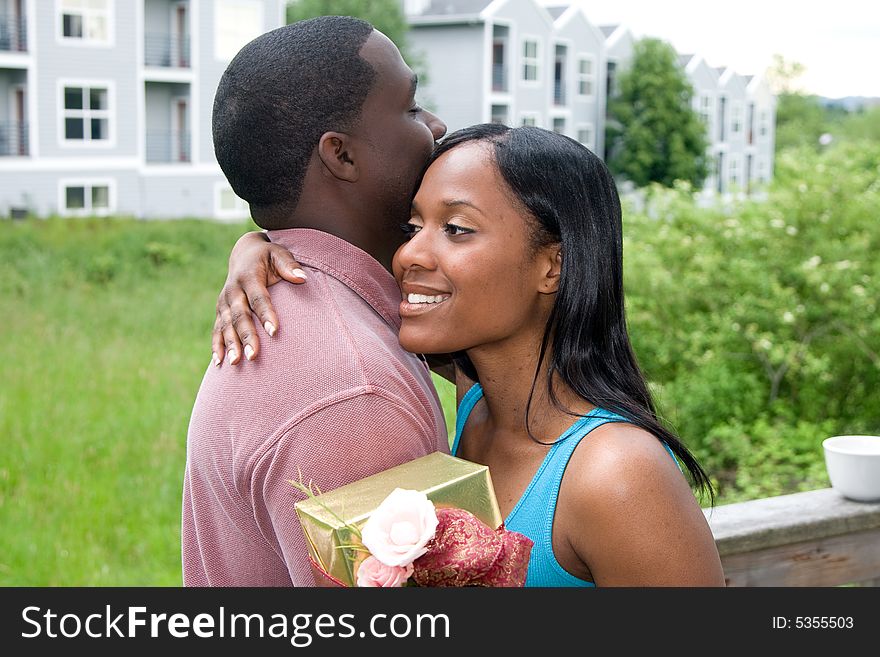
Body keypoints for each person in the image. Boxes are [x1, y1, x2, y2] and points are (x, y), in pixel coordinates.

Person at [214, 124, 726, 586]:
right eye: (414, 228)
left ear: (553, 266)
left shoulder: (616, 473)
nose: (409, 254)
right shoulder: (477, 396)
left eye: (457, 229)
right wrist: (258, 244)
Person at [181, 16, 450, 587]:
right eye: (410, 107)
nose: (437, 125)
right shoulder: (354, 395)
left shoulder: (322, 318)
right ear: (341, 156)